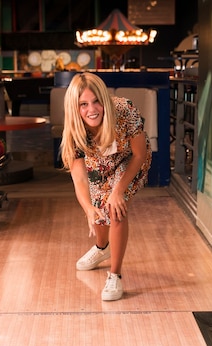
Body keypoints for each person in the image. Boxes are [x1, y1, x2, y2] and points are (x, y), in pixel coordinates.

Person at [61, 72, 152, 301]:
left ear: (104, 99)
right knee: (99, 212)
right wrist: (88, 208)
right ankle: (102, 248)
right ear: (75, 107)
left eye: (96, 101)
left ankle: (115, 275)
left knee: (115, 208)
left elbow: (139, 154)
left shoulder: (124, 110)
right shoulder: (74, 131)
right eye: (83, 104)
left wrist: (118, 191)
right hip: (100, 162)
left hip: (130, 159)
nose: (91, 109)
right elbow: (80, 178)